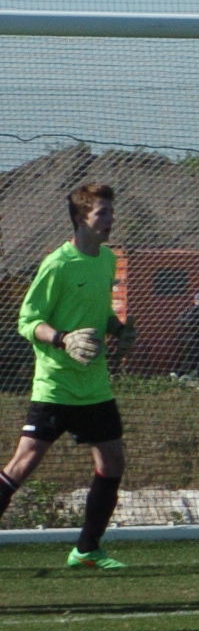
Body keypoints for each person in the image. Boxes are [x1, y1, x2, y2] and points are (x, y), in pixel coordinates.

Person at [2, 182, 133, 569]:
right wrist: (63, 339)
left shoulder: (107, 259)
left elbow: (99, 313)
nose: (110, 220)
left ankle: (87, 549)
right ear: (80, 217)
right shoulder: (57, 264)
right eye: (102, 213)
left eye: (111, 212)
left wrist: (119, 329)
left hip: (94, 386)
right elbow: (27, 321)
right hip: (56, 385)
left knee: (112, 462)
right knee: (23, 463)